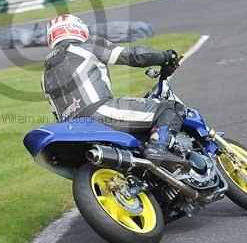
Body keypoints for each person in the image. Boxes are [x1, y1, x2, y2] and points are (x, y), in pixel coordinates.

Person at [41, 14, 185, 170]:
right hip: (100, 112)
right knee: (170, 108)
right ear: (78, 29)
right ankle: (158, 148)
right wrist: (165, 56)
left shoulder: (44, 76)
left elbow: (56, 114)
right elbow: (133, 55)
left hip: (71, 129)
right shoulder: (85, 46)